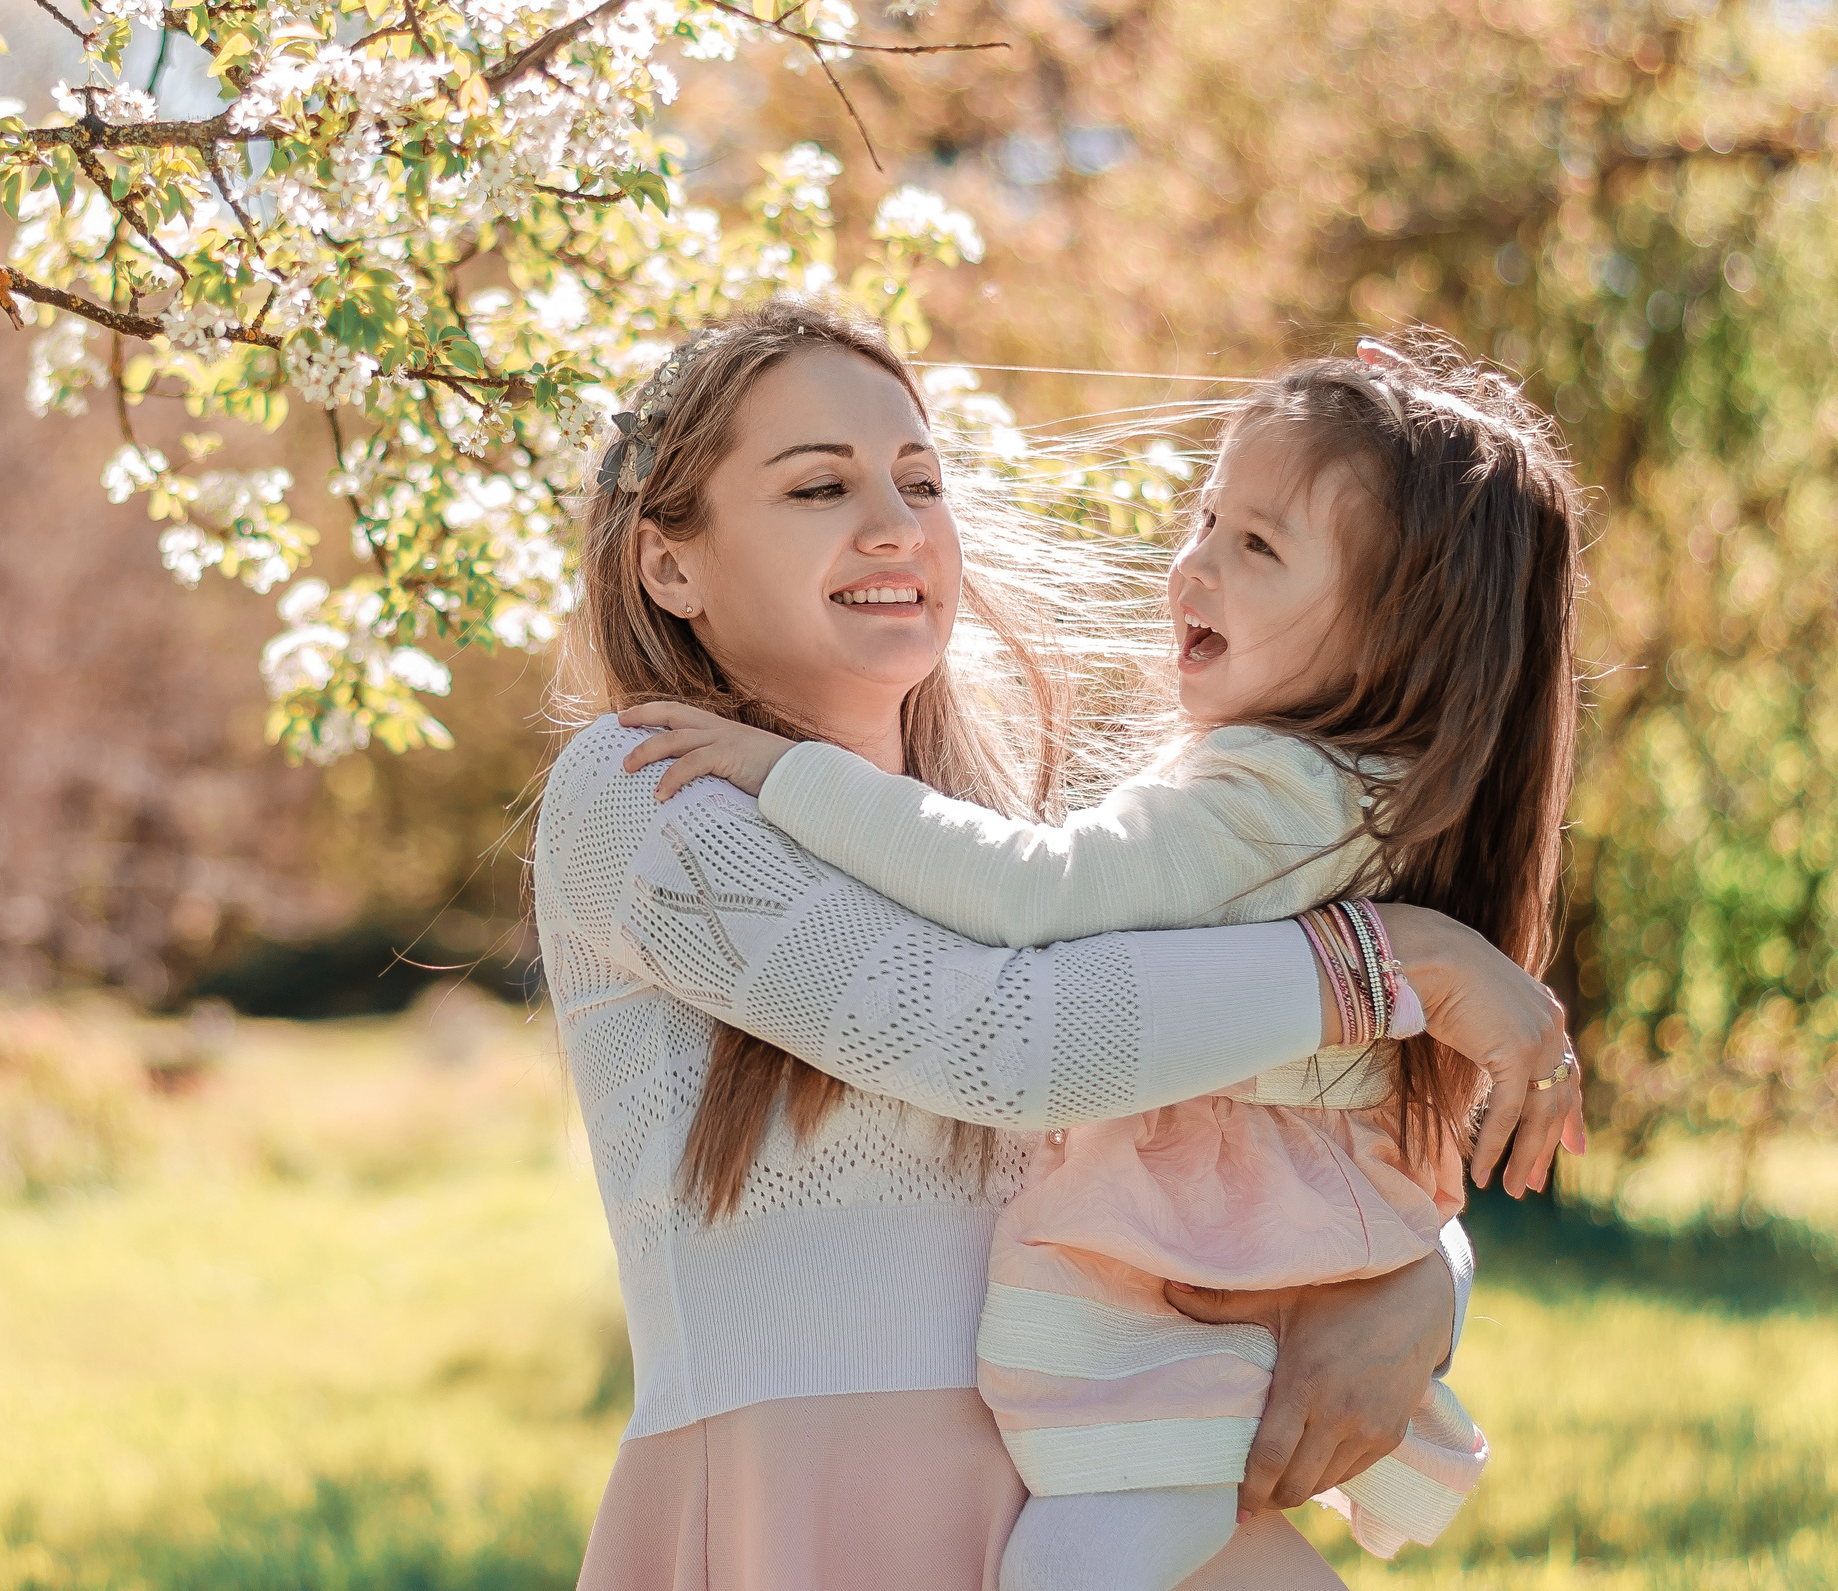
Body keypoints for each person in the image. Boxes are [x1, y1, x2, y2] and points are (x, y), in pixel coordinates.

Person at [531, 298, 1582, 1591]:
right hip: (812, 1514)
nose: (892, 522)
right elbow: (1006, 1045)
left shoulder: (1021, 861)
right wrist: (1393, 964)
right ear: (668, 565)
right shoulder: (640, 788)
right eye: (818, 486)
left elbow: (1266, 1141)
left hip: (1094, 1497)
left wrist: (1426, 1285)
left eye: (921, 479)